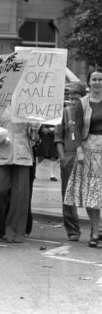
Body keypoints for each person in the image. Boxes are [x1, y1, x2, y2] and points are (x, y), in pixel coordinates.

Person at [65, 68, 102, 247]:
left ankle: (99, 229)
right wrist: (79, 150)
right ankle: (95, 231)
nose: (97, 82)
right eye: (94, 79)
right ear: (89, 83)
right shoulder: (82, 103)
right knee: (91, 193)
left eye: (100, 79)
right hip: (88, 151)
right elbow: (77, 128)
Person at [0, 116, 39, 243]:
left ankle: (16, 231)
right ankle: (2, 226)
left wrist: (33, 131)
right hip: (1, 154)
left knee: (21, 194)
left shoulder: (27, 108)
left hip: (22, 154)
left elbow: (34, 138)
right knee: (0, 189)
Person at [55, 82, 88, 241]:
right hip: (68, 157)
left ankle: (96, 228)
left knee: (89, 193)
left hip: (87, 157)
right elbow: (58, 138)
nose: (73, 102)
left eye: (76, 99)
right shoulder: (64, 113)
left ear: (83, 99)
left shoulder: (89, 113)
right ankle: (73, 230)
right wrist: (62, 158)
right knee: (67, 196)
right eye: (70, 99)